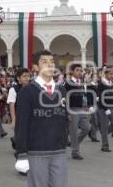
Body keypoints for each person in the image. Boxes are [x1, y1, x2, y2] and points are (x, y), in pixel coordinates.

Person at [15, 50, 68, 187]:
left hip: (59, 151)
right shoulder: (27, 92)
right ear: (36, 67)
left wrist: (63, 139)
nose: (50, 64)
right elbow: (22, 124)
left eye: (52, 61)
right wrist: (21, 153)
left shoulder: (61, 90)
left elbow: (63, 117)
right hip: (37, 152)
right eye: (44, 62)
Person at [64, 64, 91, 160]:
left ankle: (73, 143)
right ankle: (75, 152)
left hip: (81, 109)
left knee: (87, 128)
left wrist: (85, 105)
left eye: (81, 70)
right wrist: (68, 112)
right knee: (74, 132)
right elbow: (65, 99)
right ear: (72, 71)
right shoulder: (68, 84)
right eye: (77, 70)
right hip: (72, 110)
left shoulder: (81, 82)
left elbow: (83, 95)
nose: (79, 72)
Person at [7, 68, 30, 155]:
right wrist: (13, 120)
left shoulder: (32, 88)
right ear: (18, 78)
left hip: (30, 116)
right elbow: (12, 105)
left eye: (28, 76)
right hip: (19, 117)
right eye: (24, 76)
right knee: (21, 139)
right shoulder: (14, 89)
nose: (27, 78)